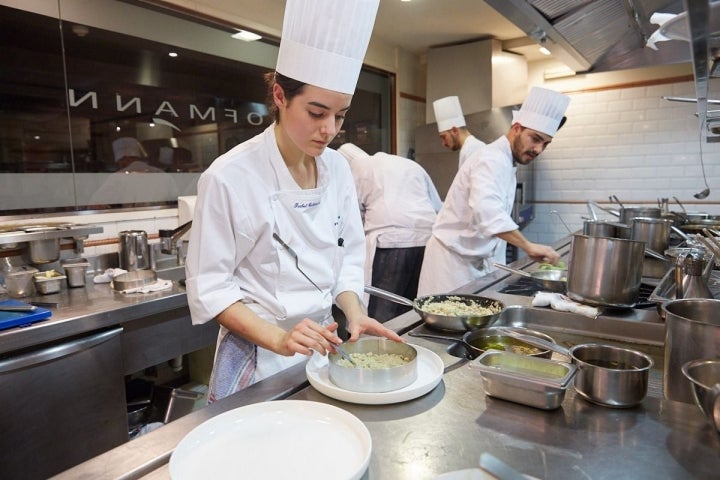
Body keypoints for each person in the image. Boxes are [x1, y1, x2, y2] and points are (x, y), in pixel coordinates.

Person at [184, 0, 402, 403]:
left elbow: (348, 256)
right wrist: (280, 338)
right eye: (316, 112)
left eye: (340, 116)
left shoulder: (337, 168)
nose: (329, 130)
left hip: (320, 347)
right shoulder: (229, 176)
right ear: (280, 96)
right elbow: (210, 288)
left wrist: (354, 313)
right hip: (257, 354)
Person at [418, 86, 571, 296]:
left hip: (471, 260)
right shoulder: (491, 159)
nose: (538, 149)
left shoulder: (507, 161)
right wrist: (528, 246)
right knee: (445, 322)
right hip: (450, 263)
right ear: (516, 128)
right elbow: (487, 211)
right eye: (535, 139)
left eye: (545, 144)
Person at [337, 143, 442, 321]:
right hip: (427, 237)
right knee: (413, 304)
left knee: (384, 308)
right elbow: (437, 205)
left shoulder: (357, 167)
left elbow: (353, 216)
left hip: (390, 243)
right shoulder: (404, 163)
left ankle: (380, 344)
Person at [432, 95, 485, 169]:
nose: (443, 143)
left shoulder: (470, 150)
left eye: (444, 137)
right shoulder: (471, 147)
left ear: (454, 131)